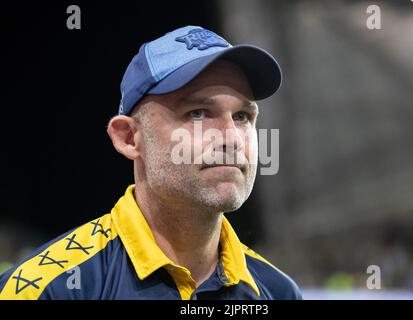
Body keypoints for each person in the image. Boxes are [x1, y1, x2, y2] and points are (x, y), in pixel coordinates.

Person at [0, 26, 302, 300]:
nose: (232, 139)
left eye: (242, 117)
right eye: (197, 113)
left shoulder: (278, 292)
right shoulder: (45, 289)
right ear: (129, 138)